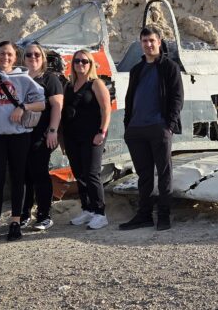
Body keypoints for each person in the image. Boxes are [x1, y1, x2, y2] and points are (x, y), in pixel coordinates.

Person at [119, 26, 184, 231]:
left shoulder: (169, 67)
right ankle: (144, 215)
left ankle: (164, 216)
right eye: (144, 41)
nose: (148, 44)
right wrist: (128, 125)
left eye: (151, 41)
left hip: (159, 127)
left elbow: (177, 97)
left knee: (164, 173)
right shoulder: (136, 70)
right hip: (136, 129)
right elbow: (130, 99)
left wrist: (169, 126)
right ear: (141, 43)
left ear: (159, 41)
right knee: (144, 175)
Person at [0, 41, 45, 242]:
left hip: (18, 137)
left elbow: (41, 104)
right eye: (2, 53)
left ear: (15, 57)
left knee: (18, 178)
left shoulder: (23, 78)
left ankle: (16, 221)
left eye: (9, 54)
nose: (5, 57)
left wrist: (23, 107)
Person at [62, 49, 112, 230]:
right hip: (72, 137)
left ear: (91, 64)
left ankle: (100, 212)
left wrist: (102, 131)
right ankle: (88, 208)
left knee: (91, 173)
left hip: (93, 136)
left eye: (85, 61)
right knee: (79, 174)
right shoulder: (69, 86)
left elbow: (106, 109)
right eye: (77, 61)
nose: (80, 64)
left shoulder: (96, 84)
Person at [19, 42, 63, 231]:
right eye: (29, 55)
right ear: (23, 58)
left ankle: (44, 215)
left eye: (37, 54)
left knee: (39, 174)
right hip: (20, 135)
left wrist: (53, 130)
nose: (33, 58)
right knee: (23, 176)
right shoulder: (19, 78)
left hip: (41, 134)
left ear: (43, 58)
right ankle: (24, 214)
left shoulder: (50, 79)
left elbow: (57, 106)